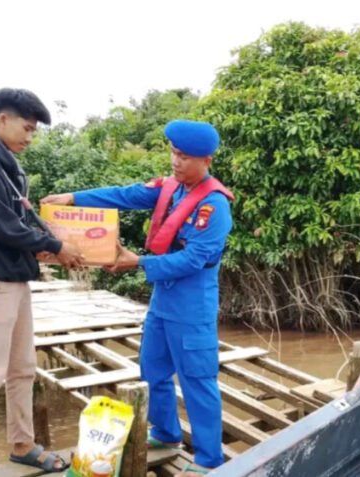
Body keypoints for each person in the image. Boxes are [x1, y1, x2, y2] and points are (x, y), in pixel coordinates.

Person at [41, 119, 233, 476]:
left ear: (206, 160)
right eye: (174, 152)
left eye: (185, 156)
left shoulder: (214, 207)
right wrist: (74, 198)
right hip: (163, 300)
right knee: (153, 369)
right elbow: (126, 195)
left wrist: (137, 262)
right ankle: (166, 432)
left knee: (197, 378)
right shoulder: (171, 188)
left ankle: (208, 460)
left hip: (192, 307)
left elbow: (194, 259)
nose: (176, 161)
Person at [0, 88, 84, 477]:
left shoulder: (2, 161)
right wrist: (56, 245)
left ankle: (22, 444)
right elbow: (1, 226)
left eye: (33, 131)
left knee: (23, 369)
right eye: (26, 128)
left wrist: (38, 251)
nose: (29, 137)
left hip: (13, 280)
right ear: (2, 120)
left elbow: (11, 227)